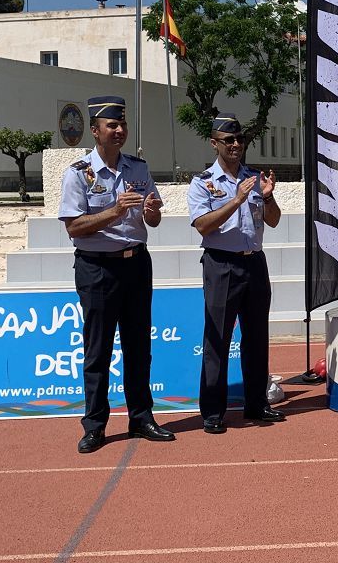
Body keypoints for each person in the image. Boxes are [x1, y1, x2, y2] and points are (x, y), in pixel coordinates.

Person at [59, 96, 174, 453]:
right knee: (98, 350)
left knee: (139, 347)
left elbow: (152, 220)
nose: (120, 130)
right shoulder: (78, 173)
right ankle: (94, 425)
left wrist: (152, 210)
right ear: (95, 131)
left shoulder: (138, 169)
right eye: (112, 125)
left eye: (122, 124)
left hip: (136, 264)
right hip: (97, 269)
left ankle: (141, 417)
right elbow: (74, 227)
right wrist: (114, 210)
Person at [188, 113, 283, 434]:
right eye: (229, 140)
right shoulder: (203, 182)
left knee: (256, 337)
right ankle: (213, 411)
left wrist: (267, 197)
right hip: (221, 264)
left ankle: (256, 403)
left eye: (240, 139)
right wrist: (237, 200)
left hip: (254, 262)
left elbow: (273, 220)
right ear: (214, 143)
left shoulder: (255, 177)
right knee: (218, 338)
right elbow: (203, 225)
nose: (236, 145)